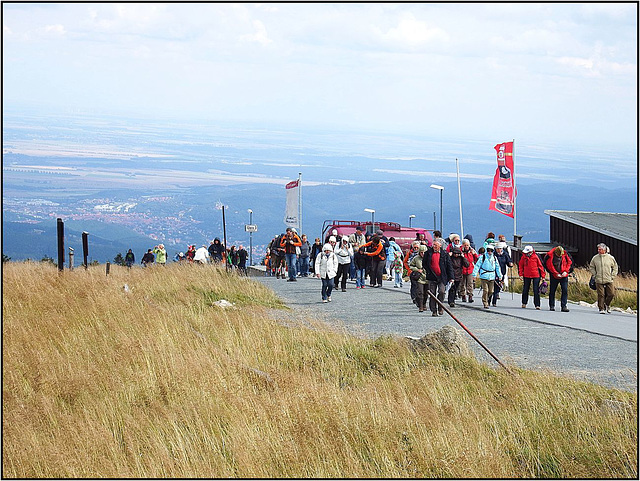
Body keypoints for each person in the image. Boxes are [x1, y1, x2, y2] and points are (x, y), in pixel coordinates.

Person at [423, 240, 455, 317]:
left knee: (442, 292)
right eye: (433, 245)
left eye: (436, 245)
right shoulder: (428, 253)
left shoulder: (445, 254)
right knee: (432, 294)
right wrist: (428, 271)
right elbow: (424, 263)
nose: (434, 247)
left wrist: (451, 277)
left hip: (442, 277)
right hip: (432, 277)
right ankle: (434, 310)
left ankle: (440, 306)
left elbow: (449, 266)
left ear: (440, 246)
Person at [589, 243, 619, 314]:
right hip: (598, 279)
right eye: (598, 249)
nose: (599, 251)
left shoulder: (610, 258)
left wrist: (612, 276)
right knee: (601, 294)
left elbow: (615, 267)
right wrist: (595, 274)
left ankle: (607, 304)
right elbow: (591, 267)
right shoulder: (595, 258)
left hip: (609, 279)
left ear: (604, 250)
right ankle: (601, 308)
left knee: (611, 294)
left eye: (600, 249)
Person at [543, 245, 574, 312]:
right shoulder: (549, 255)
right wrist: (555, 273)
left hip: (564, 275)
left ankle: (564, 306)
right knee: (552, 290)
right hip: (554, 275)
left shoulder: (565, 254)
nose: (560, 256)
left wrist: (566, 271)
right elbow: (548, 265)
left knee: (565, 290)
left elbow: (570, 263)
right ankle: (552, 306)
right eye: (559, 255)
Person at [472, 244, 502, 309]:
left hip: (492, 276)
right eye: (488, 250)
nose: (489, 252)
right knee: (485, 290)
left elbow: (497, 267)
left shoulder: (494, 258)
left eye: (491, 250)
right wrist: (474, 274)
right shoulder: (482, 257)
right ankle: (485, 302)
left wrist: (500, 275)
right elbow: (477, 266)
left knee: (491, 291)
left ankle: (486, 298)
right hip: (484, 276)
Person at [518, 245, 546, 310]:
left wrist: (543, 276)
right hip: (526, 275)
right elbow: (520, 266)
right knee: (525, 289)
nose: (526, 254)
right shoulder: (523, 257)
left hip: (536, 275)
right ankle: (524, 303)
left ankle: (537, 305)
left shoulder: (536, 257)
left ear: (531, 252)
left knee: (536, 290)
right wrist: (520, 274)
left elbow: (540, 266)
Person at [491, 242, 513, 307]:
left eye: (500, 248)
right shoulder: (493, 254)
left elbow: (508, 260)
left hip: (502, 272)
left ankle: (494, 301)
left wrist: (510, 264)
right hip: (493, 273)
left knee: (497, 287)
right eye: (498, 248)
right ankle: (489, 299)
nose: (499, 250)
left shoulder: (505, 254)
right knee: (492, 287)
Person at [409, 245, 429, 312]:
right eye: (421, 252)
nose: (423, 254)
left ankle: (424, 304)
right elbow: (411, 265)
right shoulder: (416, 258)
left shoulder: (429, 257)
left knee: (426, 293)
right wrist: (417, 269)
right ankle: (420, 306)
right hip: (420, 277)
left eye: (424, 252)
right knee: (420, 292)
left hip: (427, 278)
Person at [459, 238, 478, 303]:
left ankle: (470, 295)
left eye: (467, 245)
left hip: (470, 269)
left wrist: (474, 254)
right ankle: (463, 295)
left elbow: (476, 259)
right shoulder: (460, 251)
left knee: (470, 283)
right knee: (462, 283)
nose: (466, 246)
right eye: (465, 245)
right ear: (463, 245)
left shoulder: (472, 251)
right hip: (462, 269)